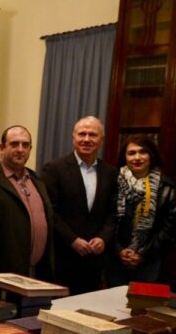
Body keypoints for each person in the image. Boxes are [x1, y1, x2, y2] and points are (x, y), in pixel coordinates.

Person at [41, 116, 118, 295]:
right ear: (73, 137)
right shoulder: (54, 169)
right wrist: (72, 240)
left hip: (95, 258)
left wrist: (103, 238)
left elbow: (113, 212)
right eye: (82, 134)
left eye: (93, 135)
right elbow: (50, 211)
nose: (86, 139)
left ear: (101, 139)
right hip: (63, 256)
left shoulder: (111, 172)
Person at [107, 134, 176, 285]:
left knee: (143, 305)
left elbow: (171, 228)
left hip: (149, 259)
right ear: (124, 157)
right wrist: (118, 250)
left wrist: (142, 253)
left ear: (151, 155)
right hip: (115, 259)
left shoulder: (167, 187)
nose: (137, 157)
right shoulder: (112, 183)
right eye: (131, 153)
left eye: (143, 152)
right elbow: (106, 219)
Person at [0, 125, 54, 279]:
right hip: (2, 274)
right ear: (2, 148)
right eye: (14, 144)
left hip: (36, 271)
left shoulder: (35, 179)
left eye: (25, 145)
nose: (20, 149)